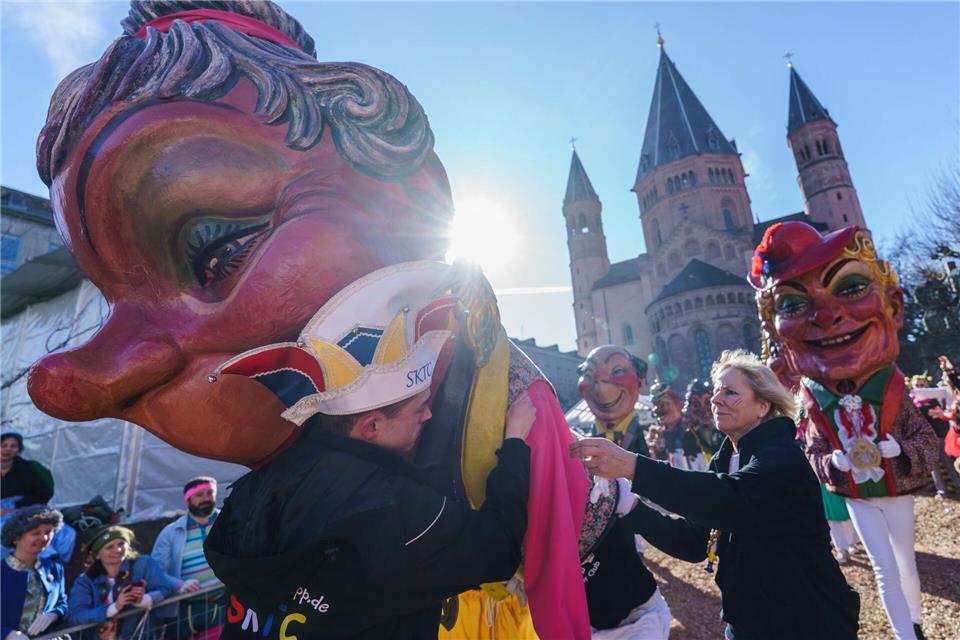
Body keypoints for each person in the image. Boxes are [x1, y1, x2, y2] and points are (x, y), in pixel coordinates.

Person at [28, 4, 591, 636]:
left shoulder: (268, 500)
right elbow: (494, 553)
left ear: (411, 196)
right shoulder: (378, 502)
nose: (78, 386)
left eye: (218, 248)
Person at [204, 261, 538, 639]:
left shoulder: (261, 480)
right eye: (419, 407)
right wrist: (514, 443)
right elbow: (497, 549)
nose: (429, 415)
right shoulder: (397, 510)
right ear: (372, 427)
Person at [570, 349, 860, 640]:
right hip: (748, 626)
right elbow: (695, 542)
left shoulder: (782, 458)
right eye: (717, 391)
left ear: (763, 406)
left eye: (730, 392)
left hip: (809, 623)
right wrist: (631, 508)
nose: (716, 399)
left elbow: (728, 498)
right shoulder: (726, 458)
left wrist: (634, 468)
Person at [751, 222, 938, 640]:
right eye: (793, 304)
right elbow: (813, 450)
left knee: (905, 562)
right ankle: (906, 636)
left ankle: (914, 620)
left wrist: (899, 451)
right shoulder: (815, 403)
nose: (827, 315)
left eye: (850, 287)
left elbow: (926, 440)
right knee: (883, 568)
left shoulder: (892, 390)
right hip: (855, 495)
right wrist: (831, 462)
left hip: (896, 490)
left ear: (893, 305)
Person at [67, 526, 197, 640]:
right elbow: (75, 616)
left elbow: (164, 588)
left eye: (121, 544)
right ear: (97, 555)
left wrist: (143, 599)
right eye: (109, 547)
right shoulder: (85, 581)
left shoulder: (144, 563)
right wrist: (114, 608)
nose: (117, 550)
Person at [153, 477, 224, 638]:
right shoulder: (171, 532)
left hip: (223, 602)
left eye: (210, 493)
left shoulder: (227, 522)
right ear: (188, 500)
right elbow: (155, 571)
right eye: (199, 495)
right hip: (185, 608)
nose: (206, 498)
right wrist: (179, 585)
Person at [1, 505, 68, 640]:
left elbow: (62, 602)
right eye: (36, 533)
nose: (44, 538)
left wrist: (53, 614)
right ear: (16, 538)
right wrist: (6, 633)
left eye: (48, 532)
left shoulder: (54, 568)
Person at [578, 345, 651, 456]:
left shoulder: (638, 434)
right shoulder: (586, 440)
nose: (600, 385)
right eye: (588, 373)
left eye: (617, 371)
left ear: (640, 381)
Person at [1, 432, 54, 516]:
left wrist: (17, 507)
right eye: (3, 445)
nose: (8, 449)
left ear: (19, 450)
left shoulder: (30, 468)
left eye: (13, 446)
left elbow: (45, 493)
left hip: (25, 510)